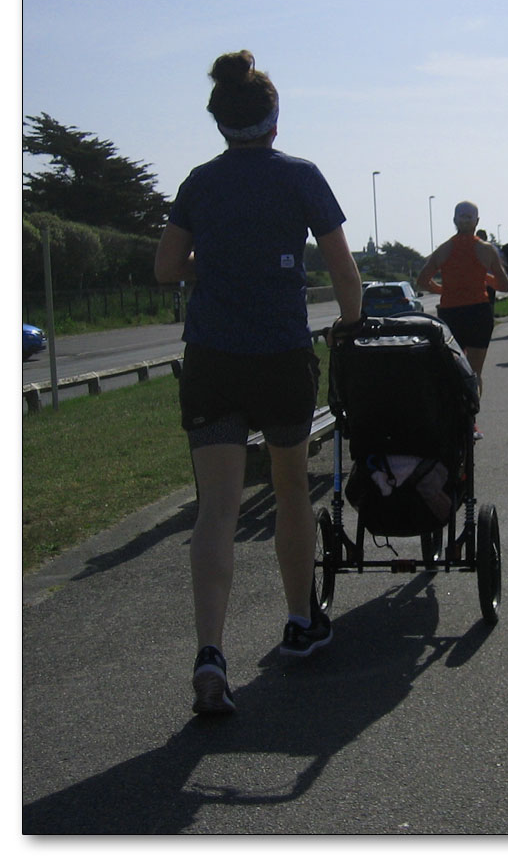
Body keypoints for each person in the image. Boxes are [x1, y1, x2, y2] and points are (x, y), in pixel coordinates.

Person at [154, 50, 363, 715]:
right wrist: (349, 329)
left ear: (220, 122)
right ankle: (300, 621)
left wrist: (210, 265)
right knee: (289, 484)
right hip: (280, 353)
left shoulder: (199, 182)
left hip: (213, 354)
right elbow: (344, 275)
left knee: (216, 507)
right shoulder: (301, 177)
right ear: (274, 119)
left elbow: (166, 268)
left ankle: (211, 653)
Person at [417, 201, 508, 403]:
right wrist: (484, 277)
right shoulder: (486, 250)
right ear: (477, 222)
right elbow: (504, 285)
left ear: (454, 221)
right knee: (475, 371)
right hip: (478, 312)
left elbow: (422, 281)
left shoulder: (443, 249)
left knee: (454, 370)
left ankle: (456, 416)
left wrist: (443, 289)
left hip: (451, 313)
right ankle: (472, 419)